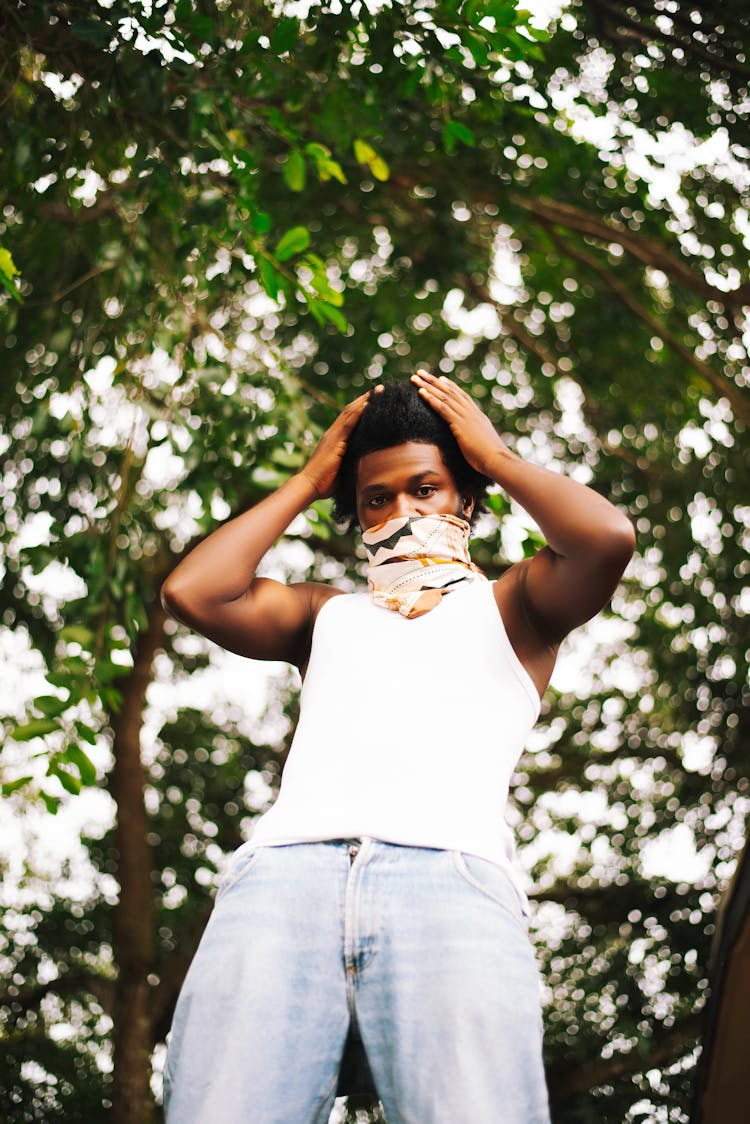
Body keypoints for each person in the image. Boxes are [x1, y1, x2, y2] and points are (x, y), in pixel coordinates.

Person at [159, 370, 635, 1123]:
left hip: (449, 882)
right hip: (283, 882)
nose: (402, 511)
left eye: (426, 488)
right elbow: (195, 591)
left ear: (464, 497)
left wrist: (497, 456)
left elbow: (606, 538)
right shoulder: (324, 615)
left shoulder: (514, 608)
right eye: (376, 499)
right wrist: (313, 480)